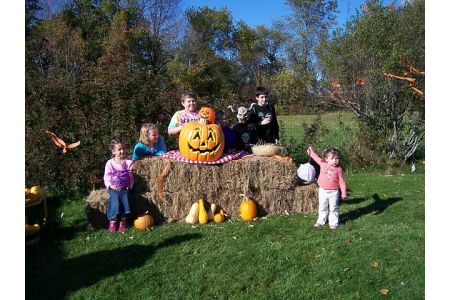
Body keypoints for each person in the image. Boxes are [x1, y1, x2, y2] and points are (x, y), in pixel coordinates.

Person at [307, 146, 347, 230]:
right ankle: (321, 221)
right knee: (322, 207)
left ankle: (333, 223)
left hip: (334, 192)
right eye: (332, 158)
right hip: (323, 191)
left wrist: (344, 193)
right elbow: (316, 158)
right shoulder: (323, 164)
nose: (335, 160)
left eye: (337, 158)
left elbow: (342, 181)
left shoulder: (339, 169)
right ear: (326, 159)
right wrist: (311, 152)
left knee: (333, 208)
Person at [104, 139, 134, 233]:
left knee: (124, 196)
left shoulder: (128, 162)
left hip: (124, 187)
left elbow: (131, 176)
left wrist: (130, 186)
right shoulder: (110, 163)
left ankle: (123, 220)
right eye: (119, 149)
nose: (122, 151)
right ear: (113, 151)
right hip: (113, 187)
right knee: (115, 196)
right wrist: (110, 186)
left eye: (123, 148)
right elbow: (107, 176)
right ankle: (113, 219)